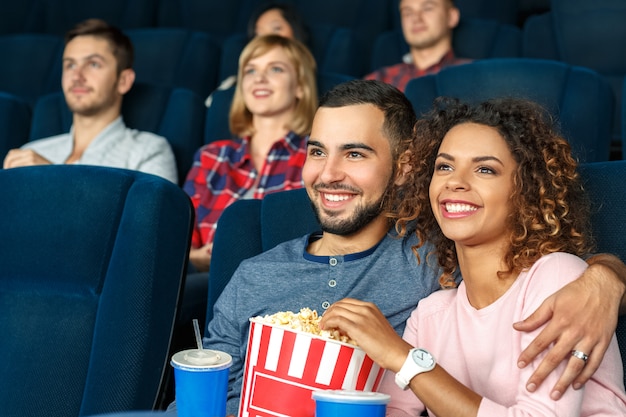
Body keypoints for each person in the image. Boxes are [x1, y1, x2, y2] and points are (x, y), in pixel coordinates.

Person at [196, 80, 626, 416]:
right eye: (317, 151)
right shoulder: (433, 311)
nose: (329, 173)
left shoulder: (433, 262)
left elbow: (540, 272)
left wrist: (607, 277)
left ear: (404, 169)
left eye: (355, 154)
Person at [320, 97, 626, 415]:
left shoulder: (558, 277)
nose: (455, 181)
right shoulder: (431, 317)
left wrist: (404, 357)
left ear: (525, 192)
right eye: (445, 166)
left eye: (484, 169)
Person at [184, 34, 317, 273]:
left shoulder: (317, 155)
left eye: (275, 69)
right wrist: (195, 257)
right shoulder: (210, 157)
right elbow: (180, 238)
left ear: (300, 86)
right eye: (251, 71)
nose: (260, 79)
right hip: (204, 282)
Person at [2, 18, 177, 183]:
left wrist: (53, 177)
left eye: (93, 64)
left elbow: (149, 215)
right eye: (70, 65)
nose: (77, 76)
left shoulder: (150, 150)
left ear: (123, 81)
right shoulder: (30, 153)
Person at [206, 1, 310, 106]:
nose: (265, 39)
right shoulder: (231, 84)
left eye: (276, 29)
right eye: (258, 35)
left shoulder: (311, 83)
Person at [364, 0, 470, 92]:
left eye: (427, 8)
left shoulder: (472, 75)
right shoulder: (379, 80)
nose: (416, 19)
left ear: (452, 17)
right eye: (407, 13)